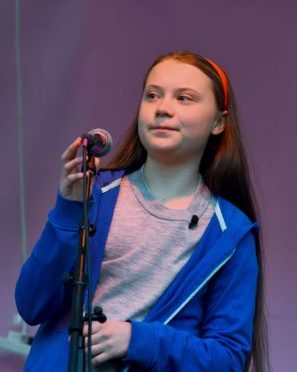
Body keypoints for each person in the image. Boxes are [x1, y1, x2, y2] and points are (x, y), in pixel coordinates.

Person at [15, 50, 268, 371]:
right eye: (152, 96)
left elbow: (228, 359)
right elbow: (30, 304)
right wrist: (68, 210)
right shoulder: (97, 194)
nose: (163, 108)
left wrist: (137, 340)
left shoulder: (230, 232)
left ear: (218, 122)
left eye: (185, 98)